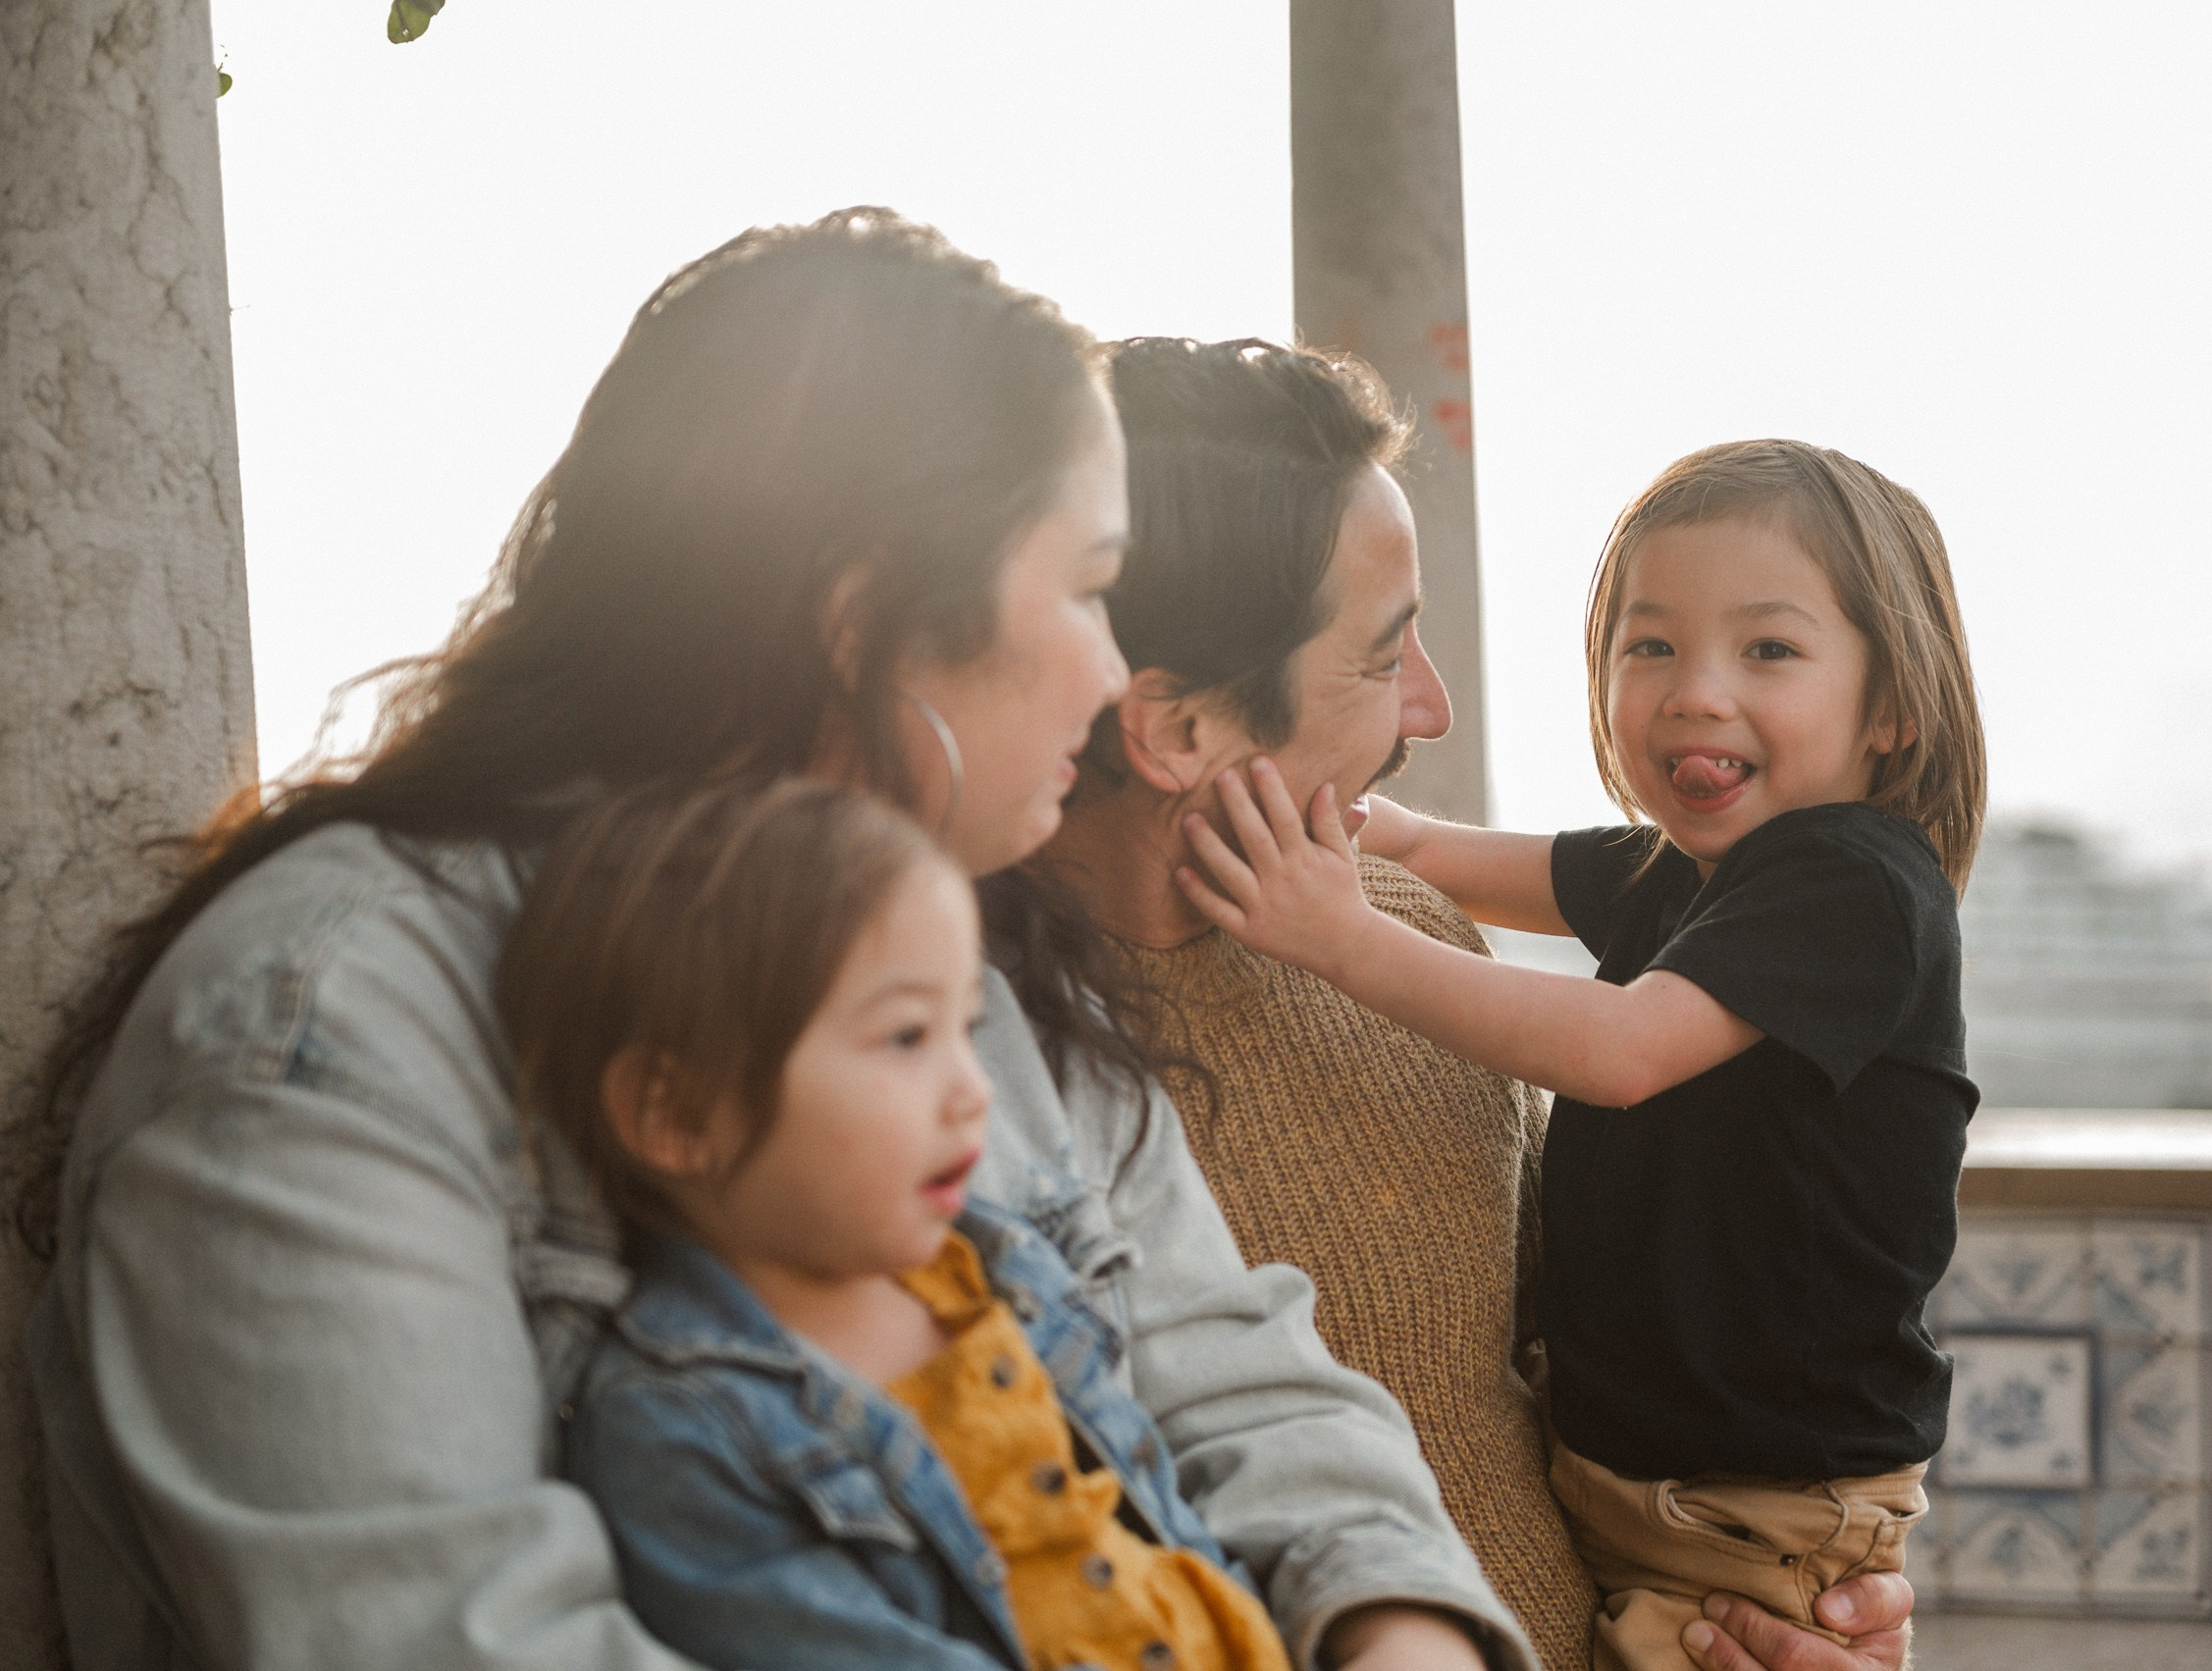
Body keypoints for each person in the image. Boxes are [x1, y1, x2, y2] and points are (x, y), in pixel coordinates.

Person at [22, 212, 1520, 1671]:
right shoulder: (326, 1024)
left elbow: (1253, 1386)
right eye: (1079, 593)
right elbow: (451, 1627)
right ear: (860, 628)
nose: (1111, 671)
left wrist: (1405, 1630)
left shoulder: (962, 956)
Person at [1046, 347, 1926, 1671]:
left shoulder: (1412, 936)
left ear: (1891, 704)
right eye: (1384, 652)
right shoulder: (983, 1076)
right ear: (1174, 729)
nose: (1435, 706)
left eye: (1772, 648)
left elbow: (1528, 1325)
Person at [501, 778, 1290, 1671]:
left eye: (969, 1028)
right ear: (675, 1113)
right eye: (908, 1037)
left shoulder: (1003, 1267)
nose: (975, 1090)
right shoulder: (680, 1428)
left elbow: (1172, 1540)